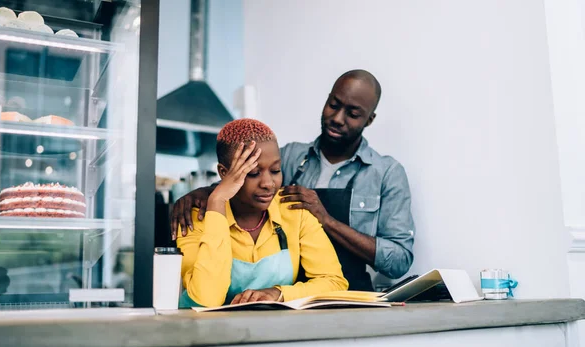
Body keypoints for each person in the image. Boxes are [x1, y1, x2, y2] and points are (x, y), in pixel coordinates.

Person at [172, 70, 415, 291]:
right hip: (292, 298)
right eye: (333, 105)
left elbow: (399, 261)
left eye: (352, 114)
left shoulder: (386, 173)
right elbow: (245, 187)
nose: (338, 118)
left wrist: (327, 221)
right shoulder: (290, 157)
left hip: (352, 296)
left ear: (369, 119)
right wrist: (207, 193)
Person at [177, 118, 348, 308]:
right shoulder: (195, 218)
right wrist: (217, 201)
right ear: (224, 173)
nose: (268, 183)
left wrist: (279, 293)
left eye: (275, 170)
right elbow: (206, 300)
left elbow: (335, 283)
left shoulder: (294, 212)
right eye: (253, 173)